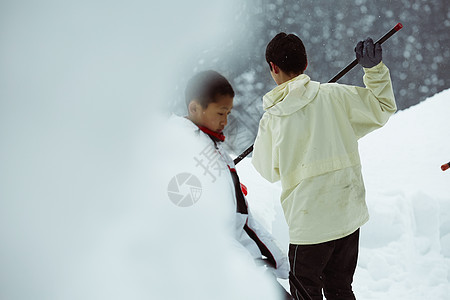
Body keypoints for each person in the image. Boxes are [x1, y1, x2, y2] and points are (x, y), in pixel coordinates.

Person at [251, 33, 397, 300]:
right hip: (348, 217)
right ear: (306, 63)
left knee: (304, 295)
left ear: (273, 67)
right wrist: (374, 70)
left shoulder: (272, 119)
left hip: (309, 228)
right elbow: (383, 106)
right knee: (340, 290)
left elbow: (265, 170)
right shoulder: (335, 97)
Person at [168, 70, 292, 299]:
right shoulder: (181, 152)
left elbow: (242, 215)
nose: (225, 121)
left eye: (228, 113)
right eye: (220, 113)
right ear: (195, 108)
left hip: (243, 263)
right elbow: (203, 228)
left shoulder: (214, 147)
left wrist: (277, 257)